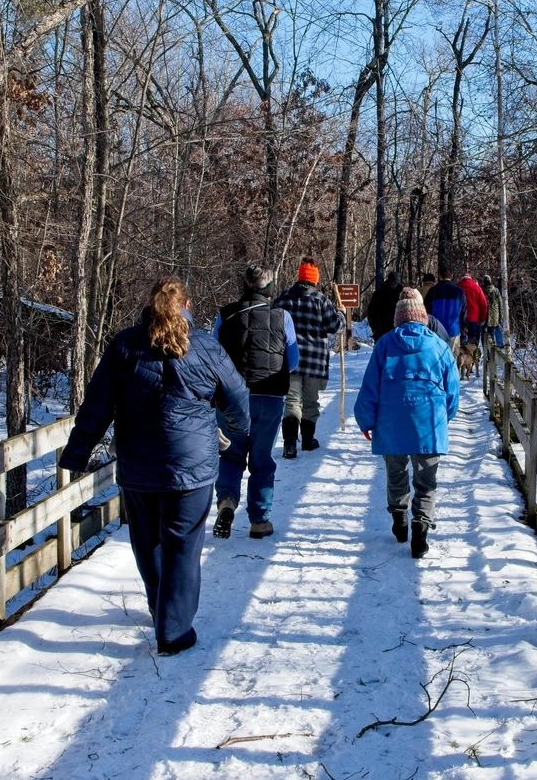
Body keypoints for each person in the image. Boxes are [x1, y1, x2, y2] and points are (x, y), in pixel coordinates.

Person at [58, 278, 248, 656]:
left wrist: (77, 453)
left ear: (150, 305)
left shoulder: (125, 346)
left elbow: (97, 405)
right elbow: (238, 396)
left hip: (139, 465)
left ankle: (159, 607)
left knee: (148, 543)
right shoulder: (206, 347)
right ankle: (173, 630)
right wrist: (236, 424)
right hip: (192, 467)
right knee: (183, 545)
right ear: (188, 305)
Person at [354, 288, 462, 558]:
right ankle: (421, 526)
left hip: (391, 425)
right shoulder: (439, 347)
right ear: (423, 316)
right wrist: (443, 418)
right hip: (429, 424)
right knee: (426, 481)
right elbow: (453, 392)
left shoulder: (385, 345)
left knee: (396, 474)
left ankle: (400, 517)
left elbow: (370, 388)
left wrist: (366, 421)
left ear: (398, 317)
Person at [214, 264, 297, 539]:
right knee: (261, 458)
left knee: (230, 453)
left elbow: (214, 356)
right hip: (270, 396)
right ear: (269, 288)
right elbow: (293, 360)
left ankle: (226, 500)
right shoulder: (282, 317)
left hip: (231, 397)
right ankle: (259, 521)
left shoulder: (225, 315)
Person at [274, 258, 343, 457]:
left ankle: (289, 443)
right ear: (314, 279)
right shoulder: (321, 300)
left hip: (290, 359)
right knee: (311, 402)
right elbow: (334, 326)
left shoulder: (284, 298)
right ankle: (307, 440)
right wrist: (340, 313)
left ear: (299, 276)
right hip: (315, 361)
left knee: (292, 401)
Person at [425, 270, 466, 347]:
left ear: (440, 276)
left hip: (436, 332)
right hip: (454, 330)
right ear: (452, 276)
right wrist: (463, 330)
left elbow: (426, 312)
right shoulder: (459, 292)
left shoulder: (432, 291)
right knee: (453, 357)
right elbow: (463, 314)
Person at [366, 273, 403, 339]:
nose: (393, 284)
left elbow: (371, 312)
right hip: (384, 330)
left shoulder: (402, 295)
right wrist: (375, 328)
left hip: (394, 330)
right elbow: (371, 311)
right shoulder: (380, 293)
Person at [459, 272, 489, 347]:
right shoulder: (476, 287)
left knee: (462, 344)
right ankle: (474, 357)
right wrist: (482, 319)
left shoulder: (457, 287)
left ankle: (462, 356)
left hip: (460, 319)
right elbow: (483, 304)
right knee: (473, 343)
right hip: (474, 319)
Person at [484, 275, 506, 348]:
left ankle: (491, 347)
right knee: (497, 329)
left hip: (487, 315)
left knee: (490, 333)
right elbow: (500, 304)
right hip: (495, 314)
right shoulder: (496, 290)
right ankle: (500, 345)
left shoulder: (482, 290)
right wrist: (501, 316)